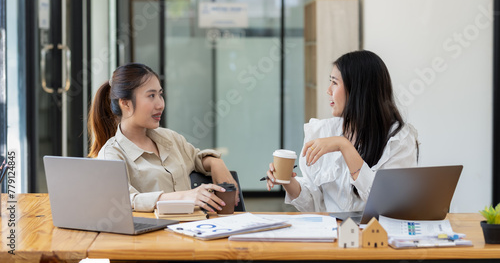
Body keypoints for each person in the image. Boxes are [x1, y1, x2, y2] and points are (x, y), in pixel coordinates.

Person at [266, 50, 419, 212]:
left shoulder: (399, 138)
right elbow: (313, 205)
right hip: (331, 232)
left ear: (358, 90)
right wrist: (288, 181)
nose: (328, 90)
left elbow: (387, 202)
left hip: (375, 233)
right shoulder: (321, 131)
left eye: (335, 82)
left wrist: (344, 146)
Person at [88, 63, 239, 213]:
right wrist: (184, 197)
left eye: (160, 94)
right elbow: (124, 200)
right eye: (151, 96)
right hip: (151, 236)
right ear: (125, 103)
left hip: (193, 230)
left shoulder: (169, 138)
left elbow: (196, 158)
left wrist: (216, 162)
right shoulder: (112, 154)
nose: (160, 104)